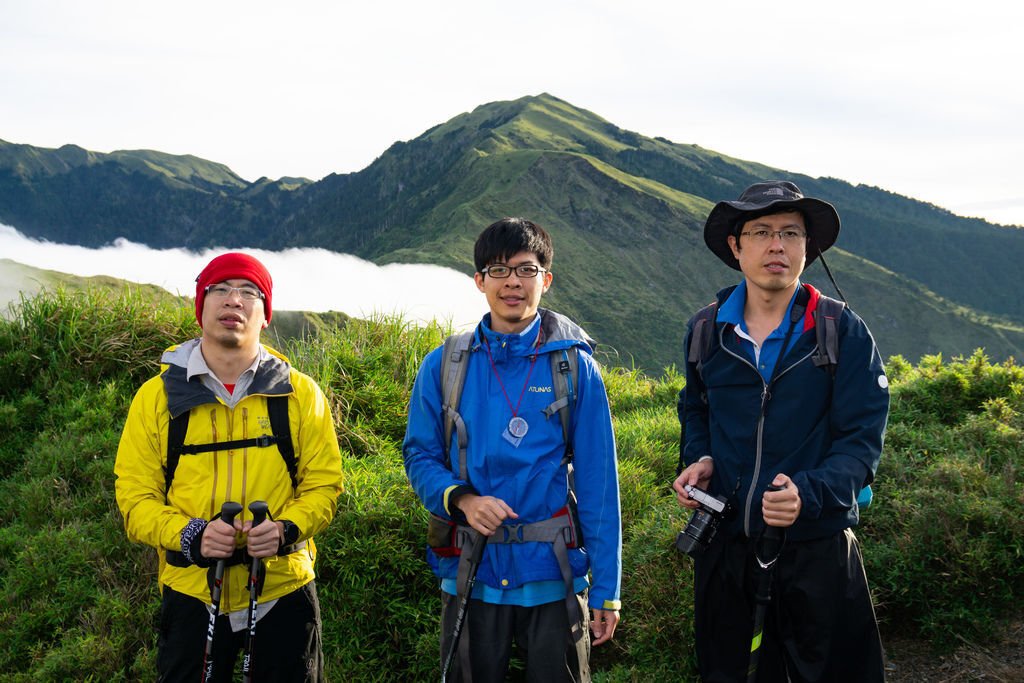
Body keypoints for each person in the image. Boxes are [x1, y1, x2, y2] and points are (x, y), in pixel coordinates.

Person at [673, 181, 889, 682]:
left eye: (791, 233)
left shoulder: (842, 330)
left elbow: (861, 442)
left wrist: (808, 493)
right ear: (736, 245)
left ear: (807, 248)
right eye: (762, 232)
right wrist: (700, 458)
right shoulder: (707, 331)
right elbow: (695, 410)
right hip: (727, 547)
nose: (777, 245)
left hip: (818, 549)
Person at [403, 217, 622, 682]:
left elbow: (599, 482)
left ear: (546, 279)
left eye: (525, 270)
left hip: (554, 574)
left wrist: (607, 590)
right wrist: (461, 498)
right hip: (471, 569)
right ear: (479, 280)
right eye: (498, 270)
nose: (512, 283)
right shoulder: (444, 364)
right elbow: (420, 454)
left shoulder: (575, 368)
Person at [114, 252, 344, 682]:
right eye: (219, 290)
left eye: (248, 292)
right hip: (192, 592)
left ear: (265, 315)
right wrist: (190, 535)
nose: (232, 301)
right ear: (200, 307)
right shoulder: (156, 398)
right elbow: (134, 498)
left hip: (282, 588)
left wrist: (285, 530)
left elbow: (325, 485)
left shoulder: (300, 394)